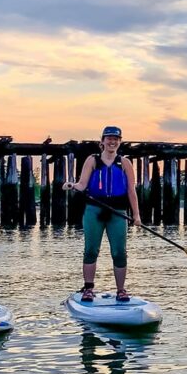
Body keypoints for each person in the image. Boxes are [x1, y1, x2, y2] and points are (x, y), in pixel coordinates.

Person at [63, 126, 142, 302]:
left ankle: (121, 290)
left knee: (119, 252)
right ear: (103, 141)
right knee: (91, 250)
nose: (112, 142)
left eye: (116, 139)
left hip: (118, 211)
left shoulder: (125, 163)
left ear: (120, 142)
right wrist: (72, 185)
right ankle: (88, 288)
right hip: (94, 210)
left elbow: (131, 190)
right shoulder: (92, 160)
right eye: (109, 138)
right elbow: (82, 184)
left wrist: (136, 215)